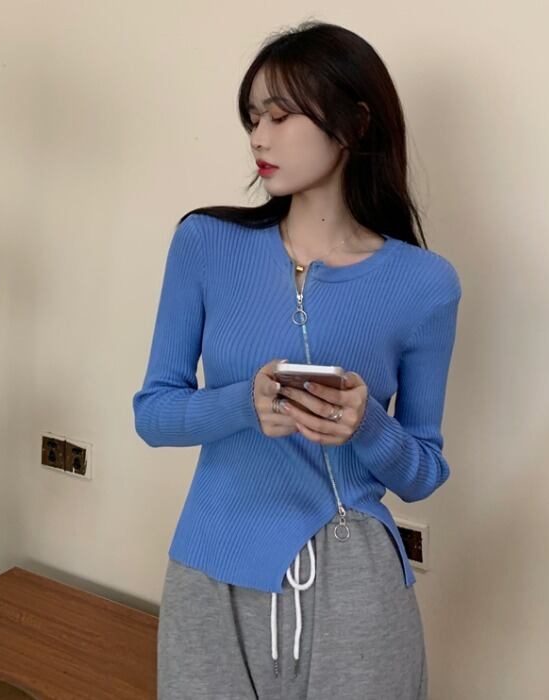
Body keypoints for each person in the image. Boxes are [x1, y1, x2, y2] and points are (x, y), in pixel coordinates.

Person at [133, 20, 462, 700]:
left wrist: (366, 425)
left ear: (355, 124)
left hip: (354, 585)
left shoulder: (425, 284)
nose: (260, 136)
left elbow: (424, 471)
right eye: (253, 117)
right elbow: (154, 413)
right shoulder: (205, 243)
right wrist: (242, 403)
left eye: (281, 115)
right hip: (210, 572)